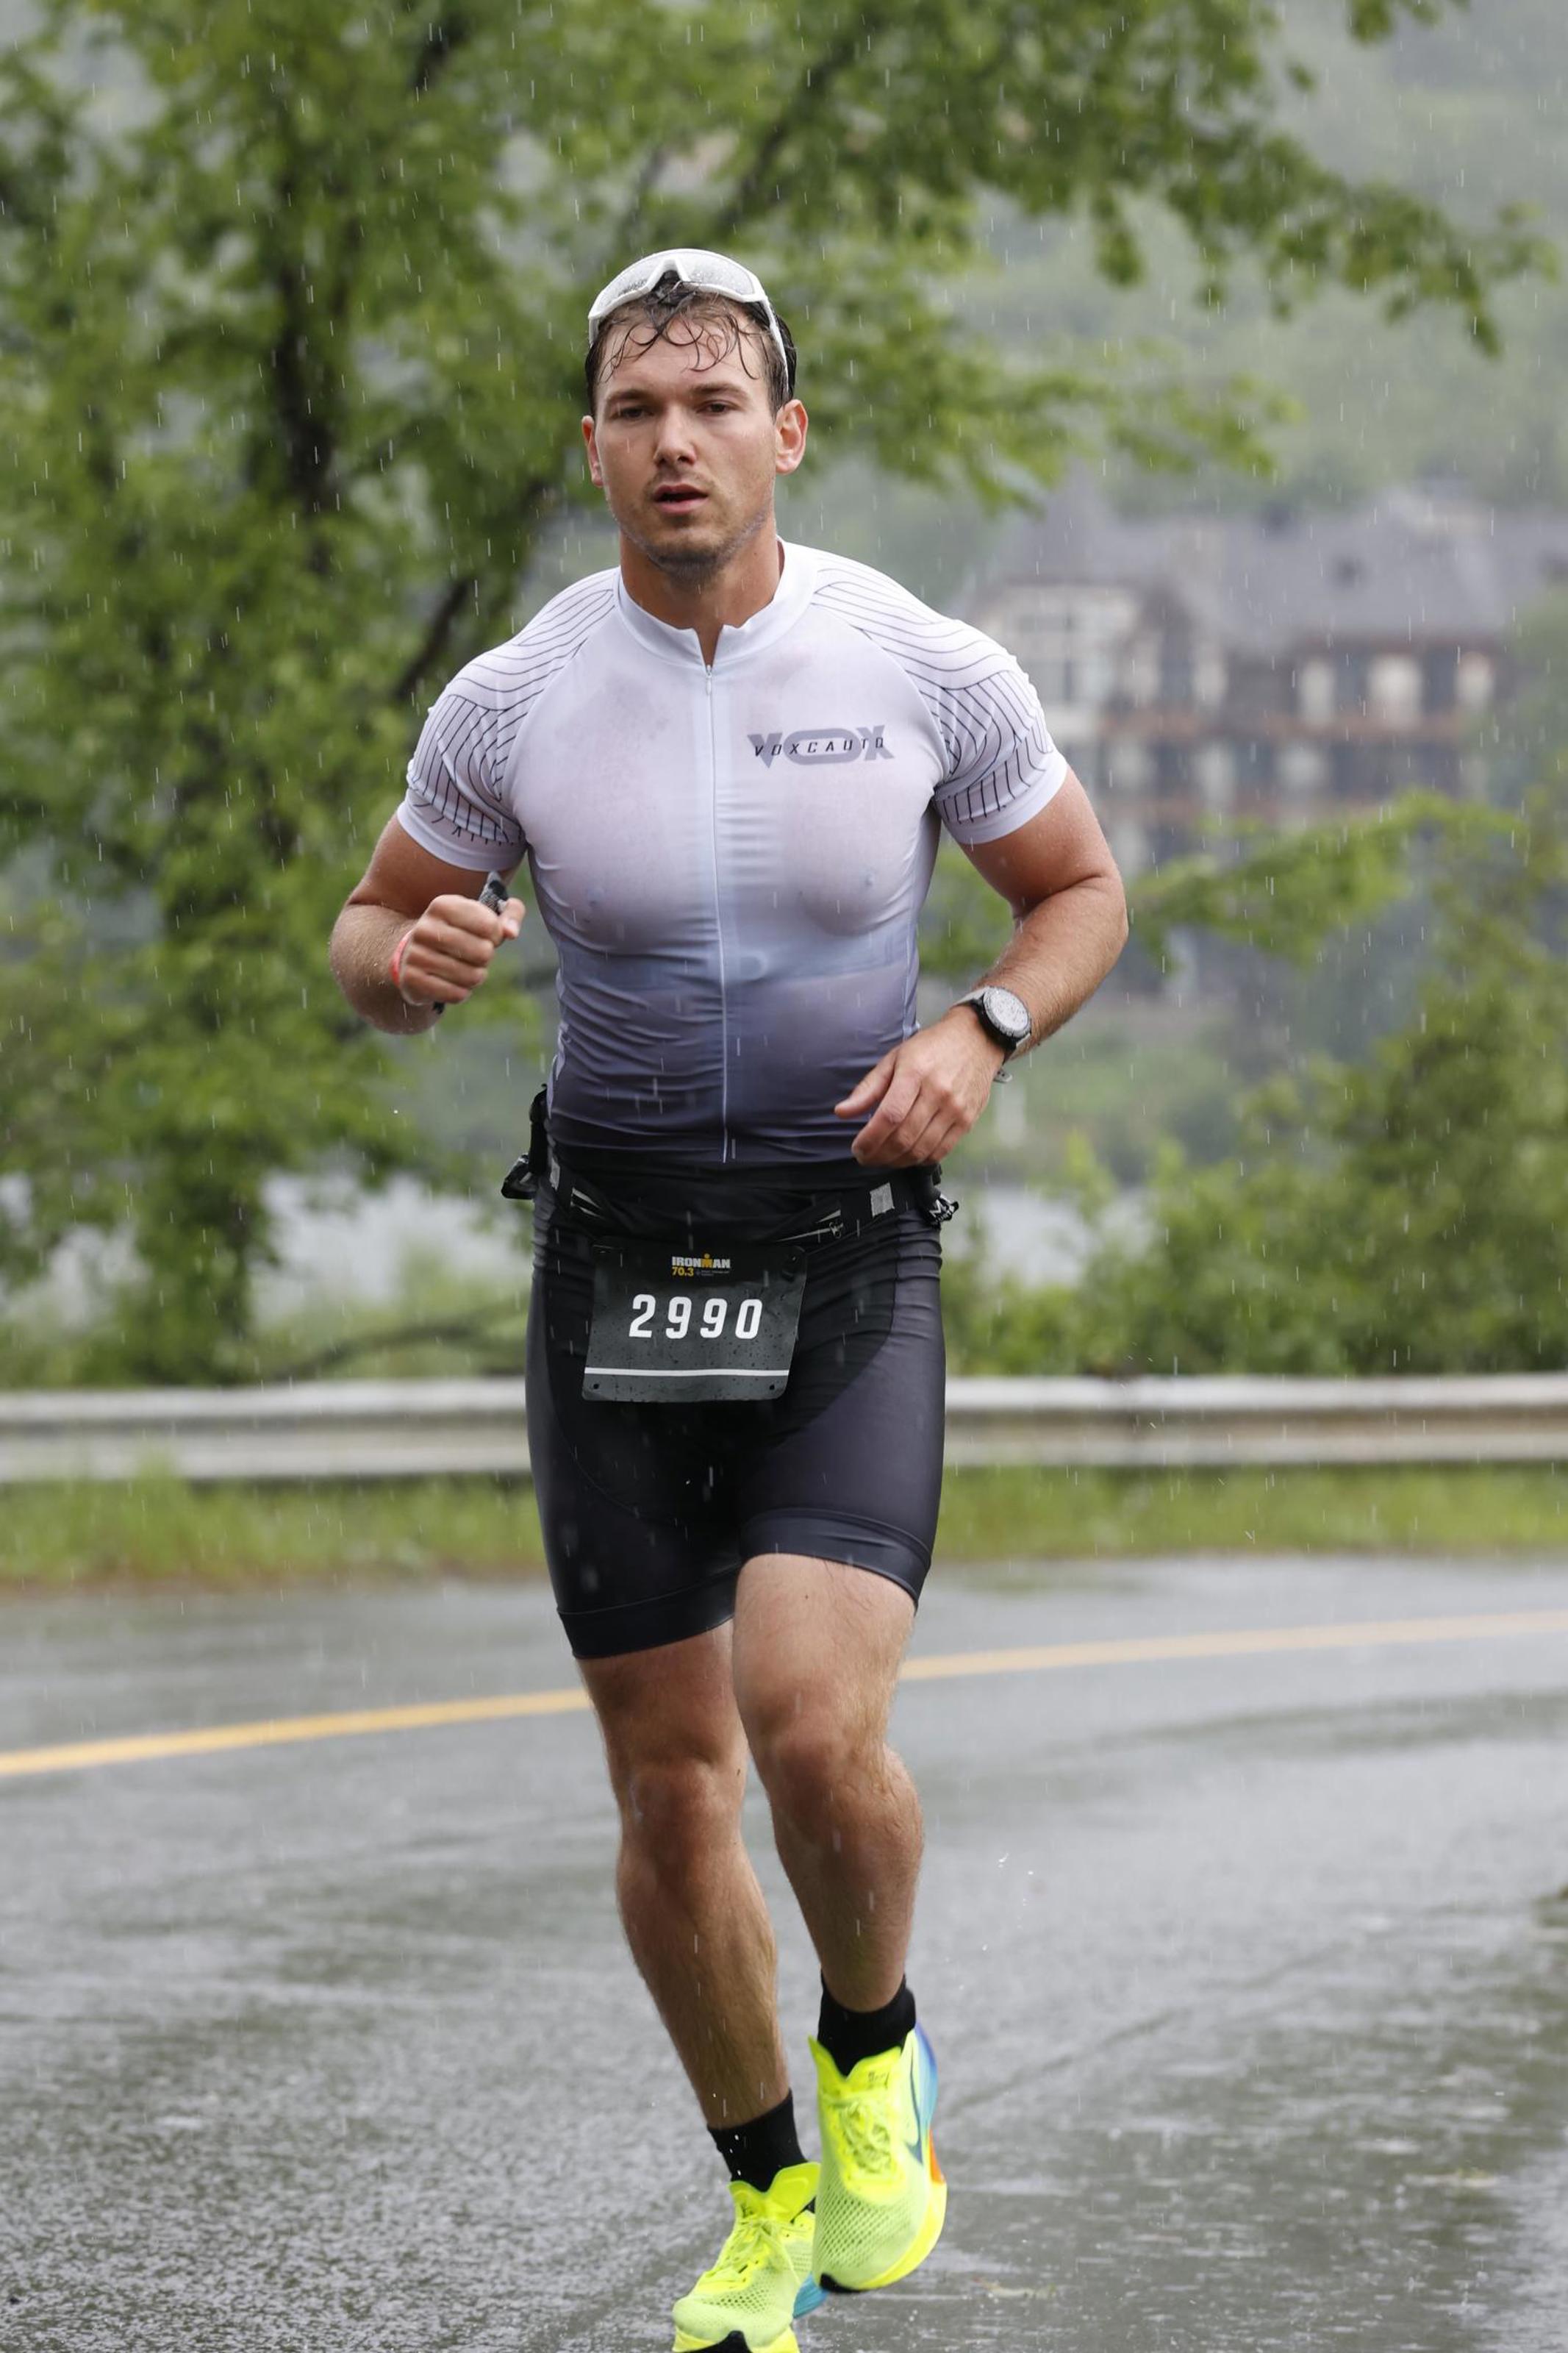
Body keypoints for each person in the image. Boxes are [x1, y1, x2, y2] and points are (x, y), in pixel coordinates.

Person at [329, 248, 1127, 2353]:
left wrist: (981, 1032)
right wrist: (393, 969)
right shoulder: (511, 700)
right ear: (592, 448)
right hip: (611, 1268)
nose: (673, 441)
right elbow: (371, 920)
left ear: (785, 435)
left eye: (712, 405)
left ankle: (876, 2046)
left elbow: (1080, 891)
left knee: (806, 1720)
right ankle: (767, 2198)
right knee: (670, 1783)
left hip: (841, 1255)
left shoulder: (924, 665)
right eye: (633, 408)